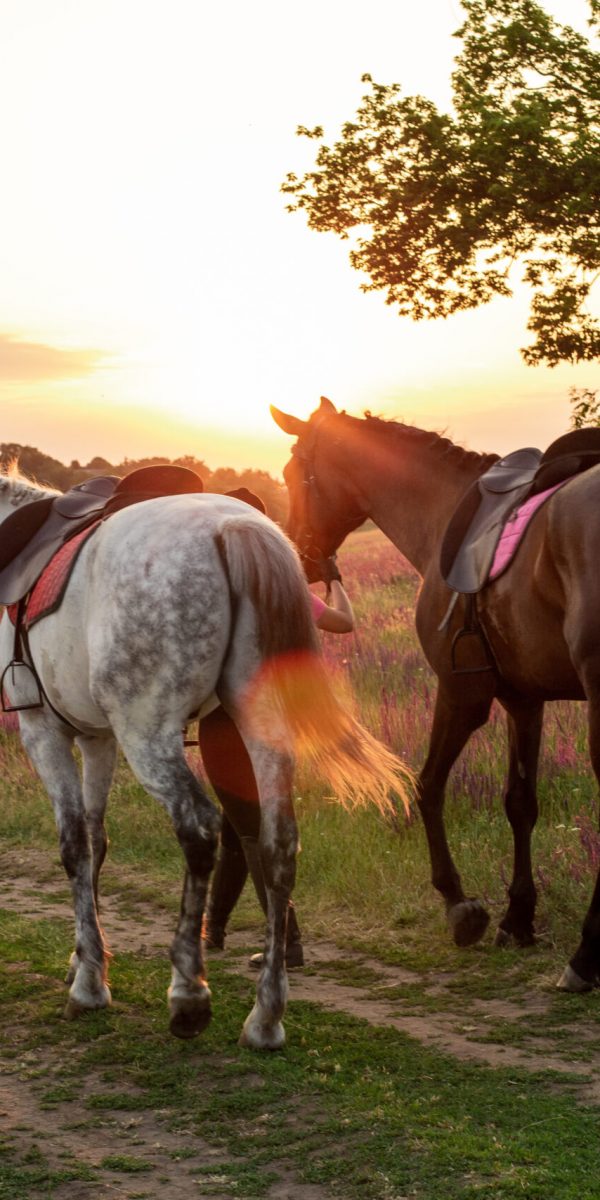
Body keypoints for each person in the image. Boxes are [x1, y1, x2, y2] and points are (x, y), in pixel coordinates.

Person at [200, 487, 354, 968]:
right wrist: (333, 580)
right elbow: (345, 622)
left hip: (225, 722)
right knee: (237, 825)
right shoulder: (283, 589)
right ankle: (216, 930)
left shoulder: (213, 587)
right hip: (277, 720)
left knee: (250, 832)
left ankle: (287, 943)